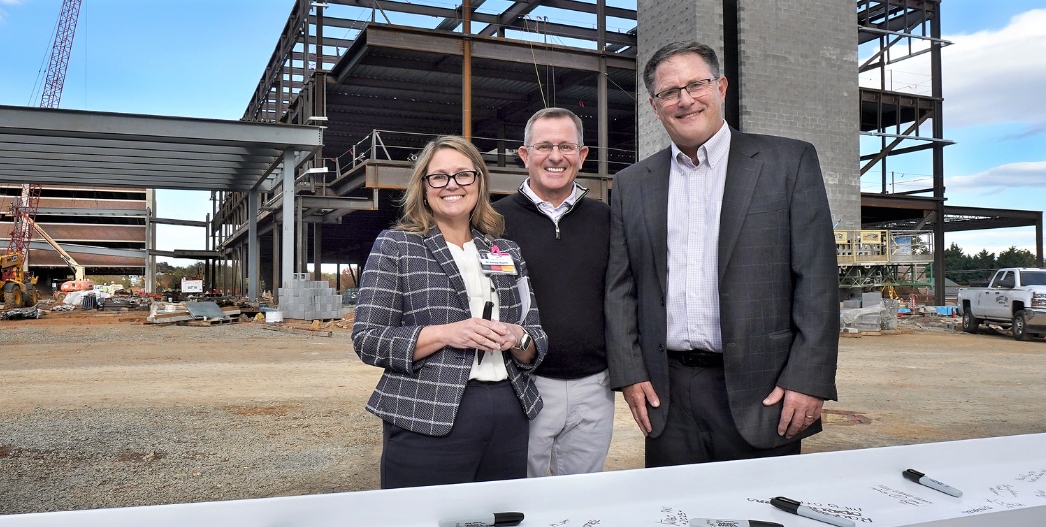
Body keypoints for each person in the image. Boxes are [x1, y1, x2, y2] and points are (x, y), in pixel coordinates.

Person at [605, 41, 839, 467]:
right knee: (675, 520)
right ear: (655, 107)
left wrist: (809, 378)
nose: (685, 100)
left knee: (767, 522)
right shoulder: (632, 184)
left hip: (764, 388)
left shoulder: (788, 162)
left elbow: (817, 280)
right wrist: (629, 372)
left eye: (696, 84)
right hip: (667, 393)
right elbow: (621, 288)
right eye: (669, 92)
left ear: (721, 87)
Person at [353, 135, 548, 489]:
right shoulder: (397, 245)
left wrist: (518, 337)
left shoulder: (506, 250)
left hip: (509, 409)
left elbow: (536, 335)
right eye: (439, 176)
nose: (452, 185)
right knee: (422, 524)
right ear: (424, 187)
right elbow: (368, 340)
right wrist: (447, 333)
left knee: (499, 524)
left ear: (479, 182)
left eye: (463, 175)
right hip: (427, 411)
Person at [495, 108, 613, 477]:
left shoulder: (607, 219)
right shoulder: (492, 221)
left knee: (582, 499)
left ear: (583, 155)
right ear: (524, 155)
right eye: (544, 146)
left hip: (595, 386)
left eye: (566, 146)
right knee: (520, 496)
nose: (556, 156)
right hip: (522, 382)